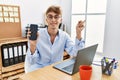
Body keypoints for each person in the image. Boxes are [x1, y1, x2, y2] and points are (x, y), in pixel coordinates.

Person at [25, 5, 85, 73]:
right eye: (50, 17)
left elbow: (76, 53)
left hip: (56, 69)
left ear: (60, 20)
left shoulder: (64, 36)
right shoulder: (37, 35)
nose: (53, 20)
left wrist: (78, 33)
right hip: (39, 69)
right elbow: (32, 62)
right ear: (46, 20)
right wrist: (33, 45)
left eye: (56, 17)